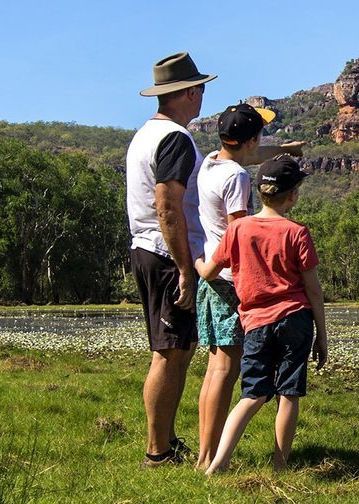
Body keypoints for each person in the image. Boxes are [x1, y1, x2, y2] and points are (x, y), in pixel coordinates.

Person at [201, 155, 328, 474]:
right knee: (288, 393)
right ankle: (280, 465)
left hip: (255, 323)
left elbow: (211, 271)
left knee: (253, 394)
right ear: (293, 195)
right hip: (295, 320)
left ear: (260, 192)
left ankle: (218, 462)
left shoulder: (238, 229)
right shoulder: (298, 232)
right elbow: (313, 290)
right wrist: (322, 336)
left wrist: (195, 262)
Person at [126, 51, 214, 467]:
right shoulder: (175, 139)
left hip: (148, 250)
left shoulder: (146, 134)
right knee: (168, 351)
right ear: (187, 93)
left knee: (177, 347)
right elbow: (167, 206)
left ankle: (165, 440)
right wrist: (184, 267)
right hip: (165, 256)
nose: (201, 97)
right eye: (199, 89)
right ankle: (157, 451)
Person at [190, 102, 272, 469]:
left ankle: (203, 452)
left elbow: (244, 159)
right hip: (227, 279)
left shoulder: (210, 162)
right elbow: (240, 231)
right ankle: (209, 457)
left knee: (214, 369)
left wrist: (283, 152)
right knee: (226, 370)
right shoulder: (237, 178)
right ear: (251, 139)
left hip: (210, 276)